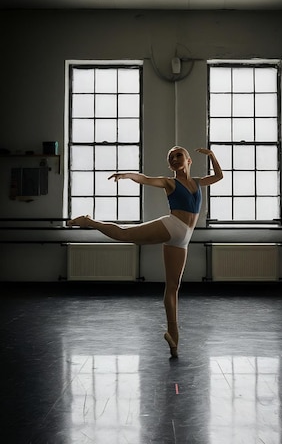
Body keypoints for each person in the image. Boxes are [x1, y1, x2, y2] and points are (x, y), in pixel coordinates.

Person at [68, 146, 223, 358]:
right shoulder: (170, 182)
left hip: (184, 238)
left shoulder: (197, 182)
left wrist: (212, 156)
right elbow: (146, 179)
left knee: (173, 287)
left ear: (188, 160)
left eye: (179, 155)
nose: (176, 159)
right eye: (171, 157)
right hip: (172, 225)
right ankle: (89, 221)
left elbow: (219, 176)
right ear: (170, 165)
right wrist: (128, 175)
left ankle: (174, 337)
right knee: (125, 234)